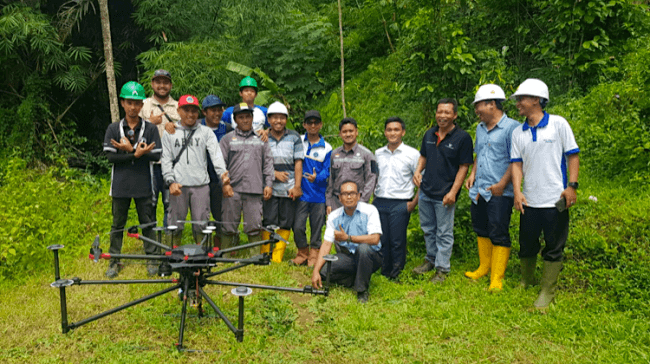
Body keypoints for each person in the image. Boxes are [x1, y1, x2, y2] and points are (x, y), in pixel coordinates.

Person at [510, 78, 580, 309]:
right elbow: (517, 165)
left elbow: (572, 155)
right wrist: (517, 192)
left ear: (537, 100)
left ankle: (547, 290)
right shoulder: (518, 132)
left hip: (554, 199)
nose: (518, 103)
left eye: (522, 99)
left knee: (554, 244)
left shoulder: (558, 124)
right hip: (529, 200)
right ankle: (526, 280)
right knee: (527, 242)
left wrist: (572, 186)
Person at [464, 84, 521, 291]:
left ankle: (497, 277)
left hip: (499, 191)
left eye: (479, 106)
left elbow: (515, 160)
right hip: (479, 188)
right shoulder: (480, 128)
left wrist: (503, 183)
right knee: (480, 228)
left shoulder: (512, 128)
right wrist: (472, 175)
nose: (476, 110)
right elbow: (479, 154)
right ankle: (483, 267)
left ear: (492, 104)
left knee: (498, 231)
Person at [102, 81, 162, 278]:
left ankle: (152, 258)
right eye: (129, 102)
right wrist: (135, 154)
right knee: (118, 223)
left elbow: (156, 155)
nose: (133, 107)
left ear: (142, 105)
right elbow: (111, 158)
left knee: (148, 222)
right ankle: (114, 260)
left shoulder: (150, 129)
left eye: (137, 103)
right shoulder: (113, 128)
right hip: (120, 184)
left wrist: (134, 152)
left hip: (144, 183)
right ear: (122, 103)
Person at [413, 98, 473, 283]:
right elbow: (424, 156)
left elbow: (464, 167)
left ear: (454, 115)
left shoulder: (462, 138)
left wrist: (453, 192)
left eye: (447, 112)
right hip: (426, 191)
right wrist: (417, 171)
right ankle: (430, 259)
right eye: (440, 112)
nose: (442, 116)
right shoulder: (429, 134)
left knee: (444, 232)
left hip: (445, 194)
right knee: (428, 229)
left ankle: (442, 268)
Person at [161, 95, 228, 243]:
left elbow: (216, 156)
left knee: (201, 223)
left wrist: (223, 175)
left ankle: (201, 256)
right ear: (178, 110)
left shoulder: (206, 132)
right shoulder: (170, 132)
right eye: (186, 110)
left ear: (198, 113)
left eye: (193, 111)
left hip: (201, 185)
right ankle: (173, 255)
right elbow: (165, 159)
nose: (190, 114)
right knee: (175, 224)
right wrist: (170, 181)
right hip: (178, 185)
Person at [311, 181, 383, 303]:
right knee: (324, 272)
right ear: (339, 198)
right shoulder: (334, 216)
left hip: (371, 256)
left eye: (352, 193)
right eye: (344, 194)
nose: (349, 197)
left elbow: (375, 239)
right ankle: (355, 278)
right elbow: (326, 244)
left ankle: (361, 291)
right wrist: (315, 271)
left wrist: (348, 238)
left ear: (359, 196)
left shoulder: (370, 210)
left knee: (363, 248)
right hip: (348, 256)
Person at [219, 103, 274, 251]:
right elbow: (220, 165)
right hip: (232, 189)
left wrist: (268, 184)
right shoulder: (227, 139)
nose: (245, 120)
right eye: (241, 117)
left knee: (254, 224)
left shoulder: (261, 139)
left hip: (254, 189)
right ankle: (226, 253)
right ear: (235, 120)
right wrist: (224, 184)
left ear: (252, 118)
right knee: (229, 223)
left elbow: (268, 163)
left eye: (247, 117)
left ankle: (254, 255)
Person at [374, 117, 420, 281]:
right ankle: (384, 269)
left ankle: (396, 272)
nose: (393, 133)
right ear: (385, 132)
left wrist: (413, 203)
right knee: (382, 237)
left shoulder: (413, 154)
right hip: (380, 201)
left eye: (396, 129)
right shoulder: (378, 153)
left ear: (403, 132)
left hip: (401, 202)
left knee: (397, 239)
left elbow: (422, 179)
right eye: (389, 130)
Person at [259, 101, 304, 262]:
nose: (278, 121)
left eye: (282, 118)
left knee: (286, 221)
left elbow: (298, 162)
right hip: (269, 187)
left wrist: (297, 186)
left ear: (286, 119)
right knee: (268, 219)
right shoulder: (262, 137)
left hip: (288, 188)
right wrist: (273, 173)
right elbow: (258, 162)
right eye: (274, 118)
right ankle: (265, 253)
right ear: (268, 119)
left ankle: (277, 255)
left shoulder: (294, 137)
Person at [139, 69, 180, 227]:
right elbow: (134, 131)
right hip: (150, 163)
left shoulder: (178, 106)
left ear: (170, 85)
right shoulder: (143, 105)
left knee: (171, 203)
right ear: (152, 84)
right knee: (150, 202)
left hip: (172, 163)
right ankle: (152, 237)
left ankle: (169, 236)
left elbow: (188, 131)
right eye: (158, 82)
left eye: (165, 82)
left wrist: (176, 127)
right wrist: (149, 123)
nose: (162, 86)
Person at [292, 110, 332, 267]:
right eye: (309, 122)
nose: (313, 125)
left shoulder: (327, 148)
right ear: (304, 125)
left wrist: (318, 177)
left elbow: (327, 169)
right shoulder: (298, 141)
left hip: (319, 195)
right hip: (301, 194)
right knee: (298, 226)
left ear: (321, 125)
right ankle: (302, 252)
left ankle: (314, 253)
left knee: (317, 226)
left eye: (316, 122)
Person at [326, 118, 378, 214]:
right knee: (337, 228)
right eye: (344, 131)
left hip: (357, 202)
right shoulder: (334, 154)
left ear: (356, 132)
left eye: (351, 131)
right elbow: (330, 180)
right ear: (340, 134)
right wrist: (329, 202)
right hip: (336, 203)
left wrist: (362, 203)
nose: (348, 134)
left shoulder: (367, 154)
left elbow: (371, 180)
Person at [201, 95, 232, 248]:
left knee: (221, 212)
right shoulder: (196, 126)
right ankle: (203, 243)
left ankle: (221, 241)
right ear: (204, 112)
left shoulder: (227, 128)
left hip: (220, 178)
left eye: (219, 109)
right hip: (200, 178)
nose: (217, 113)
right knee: (201, 212)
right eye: (213, 110)